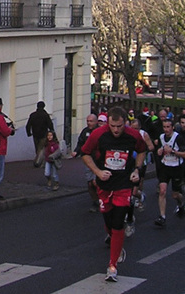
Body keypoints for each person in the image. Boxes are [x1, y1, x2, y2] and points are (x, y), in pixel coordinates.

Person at [81, 106, 146, 282]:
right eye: (112, 126)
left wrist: (137, 170)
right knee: (108, 222)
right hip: (104, 184)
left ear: (125, 123)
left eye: (119, 126)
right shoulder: (99, 134)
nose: (116, 130)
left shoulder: (133, 135)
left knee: (118, 223)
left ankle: (112, 266)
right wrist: (98, 172)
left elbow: (142, 150)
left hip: (123, 184)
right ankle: (117, 247)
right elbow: (85, 153)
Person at [154, 119, 185, 226]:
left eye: (168, 127)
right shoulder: (161, 137)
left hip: (176, 167)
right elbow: (159, 150)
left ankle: (180, 203)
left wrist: (173, 151)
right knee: (162, 191)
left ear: (172, 127)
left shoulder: (178, 138)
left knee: (175, 194)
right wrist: (159, 151)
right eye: (164, 127)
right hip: (165, 167)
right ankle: (162, 217)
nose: (166, 129)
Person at [125, 119, 154, 236]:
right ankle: (137, 199)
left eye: (136, 128)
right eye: (133, 128)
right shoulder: (127, 135)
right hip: (129, 165)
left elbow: (151, 147)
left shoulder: (143, 135)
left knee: (136, 188)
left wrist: (142, 150)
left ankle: (139, 196)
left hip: (141, 164)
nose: (134, 130)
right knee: (130, 191)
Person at [72, 114, 100, 212]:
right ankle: (95, 201)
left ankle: (103, 199)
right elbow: (81, 143)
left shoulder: (101, 131)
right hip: (88, 161)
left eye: (91, 121)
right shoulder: (85, 132)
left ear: (96, 122)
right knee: (90, 183)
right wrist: (76, 151)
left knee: (96, 182)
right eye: (88, 121)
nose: (89, 123)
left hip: (99, 161)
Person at [26, 101, 54, 168]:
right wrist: (52, 130)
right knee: (41, 148)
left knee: (37, 148)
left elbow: (28, 125)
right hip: (43, 134)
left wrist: (29, 133)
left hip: (35, 134)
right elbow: (50, 124)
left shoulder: (33, 115)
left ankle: (38, 161)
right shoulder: (45, 115)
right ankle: (38, 162)